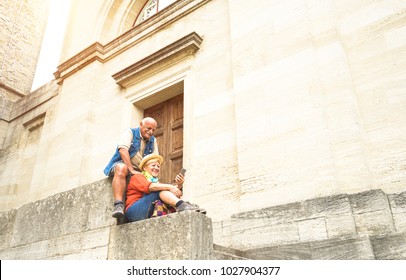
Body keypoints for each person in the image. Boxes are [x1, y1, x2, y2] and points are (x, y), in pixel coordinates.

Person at [103, 117, 159, 218]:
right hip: (122, 164)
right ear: (141, 124)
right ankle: (118, 205)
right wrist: (131, 170)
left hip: (140, 170)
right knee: (122, 168)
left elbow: (154, 159)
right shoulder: (130, 132)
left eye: (153, 130)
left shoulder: (153, 140)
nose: (151, 132)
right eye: (149, 128)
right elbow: (123, 150)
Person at [125, 153, 200, 222]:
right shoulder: (138, 177)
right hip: (133, 212)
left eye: (158, 166)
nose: (156, 168)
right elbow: (151, 187)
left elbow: (167, 194)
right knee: (159, 190)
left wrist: (179, 184)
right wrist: (170, 187)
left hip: (146, 210)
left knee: (163, 190)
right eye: (153, 165)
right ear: (144, 167)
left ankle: (184, 205)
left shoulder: (156, 183)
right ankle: (182, 205)